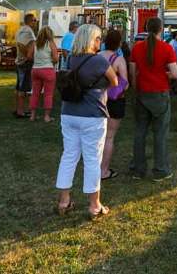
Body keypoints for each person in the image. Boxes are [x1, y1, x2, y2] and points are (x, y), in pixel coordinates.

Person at [55, 24, 119, 220]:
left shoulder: (71, 59)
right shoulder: (98, 61)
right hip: (92, 114)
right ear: (92, 40)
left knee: (69, 156)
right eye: (98, 38)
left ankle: (64, 201)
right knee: (92, 159)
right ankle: (94, 205)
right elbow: (115, 81)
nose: (101, 41)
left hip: (69, 113)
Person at [129, 17, 177, 181]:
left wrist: (136, 89)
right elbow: (175, 74)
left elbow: (132, 72)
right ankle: (161, 170)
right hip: (160, 94)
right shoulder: (166, 48)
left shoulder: (137, 48)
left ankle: (138, 169)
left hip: (142, 92)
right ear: (161, 29)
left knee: (139, 132)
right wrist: (165, 74)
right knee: (160, 134)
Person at [99, 29, 129, 180]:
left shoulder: (96, 57)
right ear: (119, 44)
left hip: (97, 99)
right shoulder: (119, 60)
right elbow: (125, 83)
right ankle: (104, 170)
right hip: (115, 100)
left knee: (97, 136)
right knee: (109, 137)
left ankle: (94, 167)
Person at [31, 25, 59, 122]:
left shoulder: (35, 43)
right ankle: (47, 117)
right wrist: (52, 61)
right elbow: (56, 58)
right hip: (48, 70)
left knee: (35, 93)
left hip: (35, 70)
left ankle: (32, 115)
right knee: (48, 94)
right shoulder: (51, 43)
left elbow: (29, 56)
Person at [14, 13, 37, 118]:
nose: (35, 22)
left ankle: (19, 109)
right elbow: (25, 47)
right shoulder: (29, 32)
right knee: (24, 88)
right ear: (30, 21)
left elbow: (19, 44)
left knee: (20, 87)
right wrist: (29, 57)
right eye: (34, 20)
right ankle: (21, 111)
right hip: (25, 62)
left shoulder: (20, 30)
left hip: (19, 61)